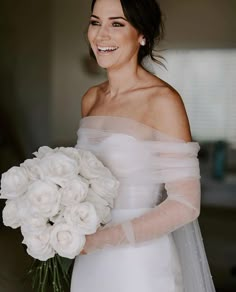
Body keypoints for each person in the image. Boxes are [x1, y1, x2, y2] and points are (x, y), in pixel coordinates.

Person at [71, 0, 216, 291]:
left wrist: (100, 241)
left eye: (117, 23)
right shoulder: (91, 98)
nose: (101, 35)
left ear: (142, 34)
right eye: (95, 21)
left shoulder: (162, 101)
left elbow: (185, 205)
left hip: (139, 263)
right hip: (88, 259)